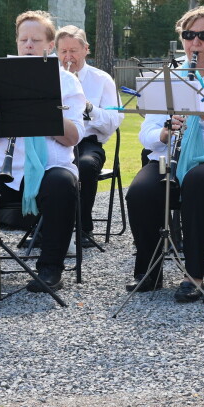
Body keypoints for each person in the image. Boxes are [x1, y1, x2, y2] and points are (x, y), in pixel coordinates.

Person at [125, 6, 204, 302]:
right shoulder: (168, 79)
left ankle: (194, 275)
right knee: (140, 192)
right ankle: (149, 271)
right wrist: (164, 133)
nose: (196, 42)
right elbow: (146, 134)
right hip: (170, 156)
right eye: (189, 35)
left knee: (198, 181)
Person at [0, 10, 84, 293]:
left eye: (36, 40)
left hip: (49, 166)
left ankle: (50, 268)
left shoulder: (67, 81)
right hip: (1, 167)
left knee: (62, 184)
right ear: (17, 43)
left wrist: (41, 110)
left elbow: (73, 137)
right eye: (24, 40)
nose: (29, 45)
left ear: (50, 45)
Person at [55, 25, 123, 249]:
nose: (68, 57)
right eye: (63, 51)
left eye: (73, 51)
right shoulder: (50, 76)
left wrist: (89, 108)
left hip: (88, 142)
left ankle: (83, 227)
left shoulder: (102, 79)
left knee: (84, 166)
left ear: (86, 49)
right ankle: (45, 226)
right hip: (55, 139)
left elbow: (114, 120)